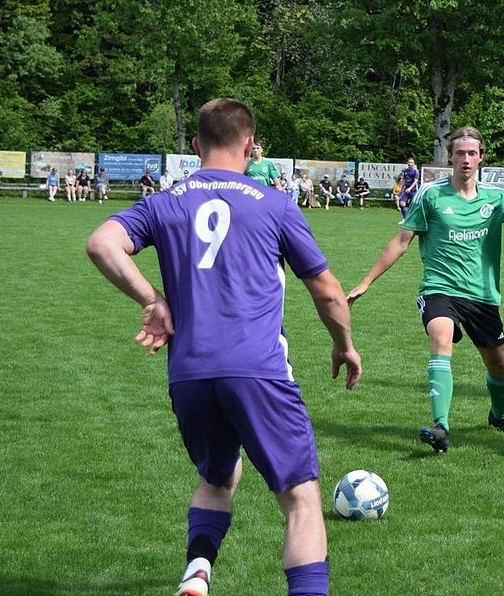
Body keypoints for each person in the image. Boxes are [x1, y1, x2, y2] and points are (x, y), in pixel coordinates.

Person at [86, 97, 361, 596]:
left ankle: (197, 573)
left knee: (217, 476)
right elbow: (325, 289)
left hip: (189, 372)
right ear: (251, 147)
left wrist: (152, 299)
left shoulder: (164, 202)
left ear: (195, 146)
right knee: (301, 500)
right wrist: (344, 343)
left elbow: (101, 243)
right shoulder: (274, 203)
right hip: (258, 370)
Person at [347, 126, 504, 454]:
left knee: (498, 366)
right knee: (441, 339)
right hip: (440, 289)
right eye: (459, 153)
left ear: (481, 158)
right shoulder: (430, 196)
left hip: (482, 296)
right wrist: (365, 282)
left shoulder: (496, 199)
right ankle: (441, 426)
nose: (465, 159)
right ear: (450, 158)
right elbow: (401, 242)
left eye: (472, 153)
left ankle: (499, 415)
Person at [397, 156, 419, 222]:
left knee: (412, 206)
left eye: (411, 162)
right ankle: (405, 218)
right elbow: (404, 181)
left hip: (413, 190)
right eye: (409, 162)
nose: (410, 163)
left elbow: (415, 181)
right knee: (401, 203)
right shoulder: (405, 171)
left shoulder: (416, 171)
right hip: (406, 190)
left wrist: (410, 188)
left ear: (414, 163)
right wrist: (401, 190)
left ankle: (413, 219)